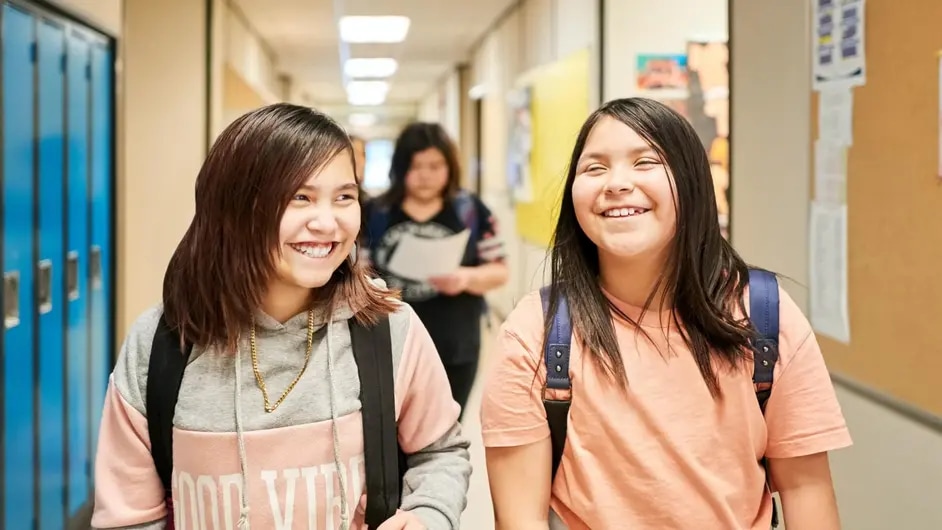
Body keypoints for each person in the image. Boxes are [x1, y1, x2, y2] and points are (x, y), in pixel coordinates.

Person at [91, 104, 471, 530]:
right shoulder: (162, 344)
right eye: (300, 197)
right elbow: (128, 516)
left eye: (344, 197)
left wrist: (427, 516)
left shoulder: (384, 325)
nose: (327, 223)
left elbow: (440, 452)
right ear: (235, 208)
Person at [480, 98, 852, 529]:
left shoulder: (764, 315)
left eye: (645, 161)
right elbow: (520, 520)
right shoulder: (536, 333)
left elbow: (807, 490)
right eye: (594, 168)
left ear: (691, 181)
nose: (616, 183)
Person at [362, 122, 508, 420]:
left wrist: (466, 278)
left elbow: (499, 270)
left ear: (449, 167)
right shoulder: (375, 212)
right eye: (416, 166)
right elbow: (356, 272)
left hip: (455, 346)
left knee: (446, 428)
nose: (426, 175)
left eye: (435, 165)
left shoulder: (470, 210)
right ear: (400, 168)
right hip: (388, 345)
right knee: (389, 436)